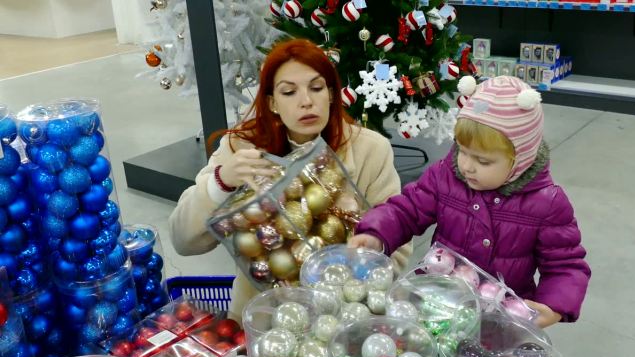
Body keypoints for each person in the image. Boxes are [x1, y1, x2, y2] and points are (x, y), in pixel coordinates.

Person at [169, 38, 409, 320]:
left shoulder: (370, 149)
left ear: (332, 94)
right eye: (289, 92)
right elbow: (182, 241)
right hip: (264, 317)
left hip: (345, 314)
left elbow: (400, 250)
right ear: (272, 103)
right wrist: (221, 183)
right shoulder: (241, 148)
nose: (306, 101)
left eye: (317, 88)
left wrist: (366, 254)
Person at [349, 76, 591, 328]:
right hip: (436, 304)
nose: (466, 166)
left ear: (520, 159)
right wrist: (376, 233)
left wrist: (554, 305)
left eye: (482, 161)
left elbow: (565, 264)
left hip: (500, 319)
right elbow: (407, 209)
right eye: (462, 150)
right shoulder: (446, 175)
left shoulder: (546, 203)